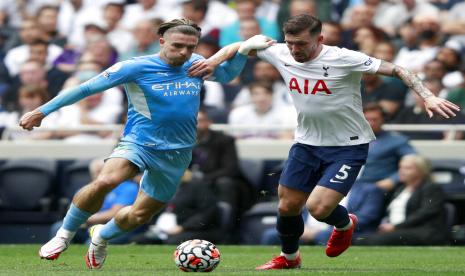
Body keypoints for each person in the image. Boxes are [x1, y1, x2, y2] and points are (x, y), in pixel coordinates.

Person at [189, 14, 459, 270]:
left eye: (302, 44)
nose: (295, 49)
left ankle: (344, 225)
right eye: (291, 42)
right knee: (287, 206)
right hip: (306, 143)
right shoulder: (280, 51)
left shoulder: (344, 58)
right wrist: (213, 61)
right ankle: (289, 258)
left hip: (348, 146)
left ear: (320, 39)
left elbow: (398, 69)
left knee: (318, 208)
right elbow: (239, 46)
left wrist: (428, 96)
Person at [19, 18, 272, 269]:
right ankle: (64, 234)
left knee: (139, 215)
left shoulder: (195, 65)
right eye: (177, 46)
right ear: (162, 41)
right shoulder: (134, 67)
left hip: (177, 153)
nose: (184, 52)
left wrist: (243, 50)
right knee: (106, 181)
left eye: (190, 47)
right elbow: (85, 89)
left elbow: (228, 75)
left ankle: (101, 237)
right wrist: (41, 111)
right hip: (138, 143)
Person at [355, 155, 449, 245]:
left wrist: (395, 227)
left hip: (423, 231)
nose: (401, 171)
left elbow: (425, 213)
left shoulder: (431, 188)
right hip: (397, 231)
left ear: (421, 170)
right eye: (400, 167)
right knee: (361, 237)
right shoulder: (399, 189)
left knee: (371, 240)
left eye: (407, 168)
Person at [50, 158, 139, 244]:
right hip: (86, 226)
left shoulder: (128, 187)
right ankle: (62, 256)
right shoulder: (86, 189)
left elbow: (115, 213)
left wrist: (86, 219)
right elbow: (72, 209)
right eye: (96, 172)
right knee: (58, 227)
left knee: (93, 242)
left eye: (102, 171)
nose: (100, 175)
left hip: (113, 226)